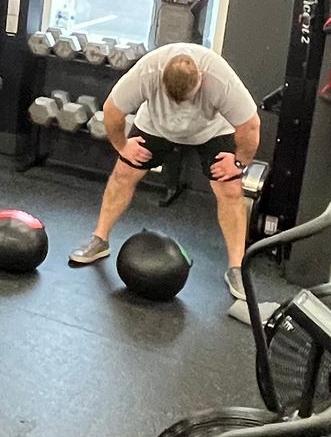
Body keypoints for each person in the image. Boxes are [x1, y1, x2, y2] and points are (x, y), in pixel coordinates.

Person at [67, 40, 260, 306]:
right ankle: (99, 239)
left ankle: (236, 267)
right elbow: (112, 110)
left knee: (230, 189)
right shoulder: (148, 71)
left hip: (213, 130)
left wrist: (238, 164)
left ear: (201, 80)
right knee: (123, 174)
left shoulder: (219, 77)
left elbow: (250, 126)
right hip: (156, 125)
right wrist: (123, 146)